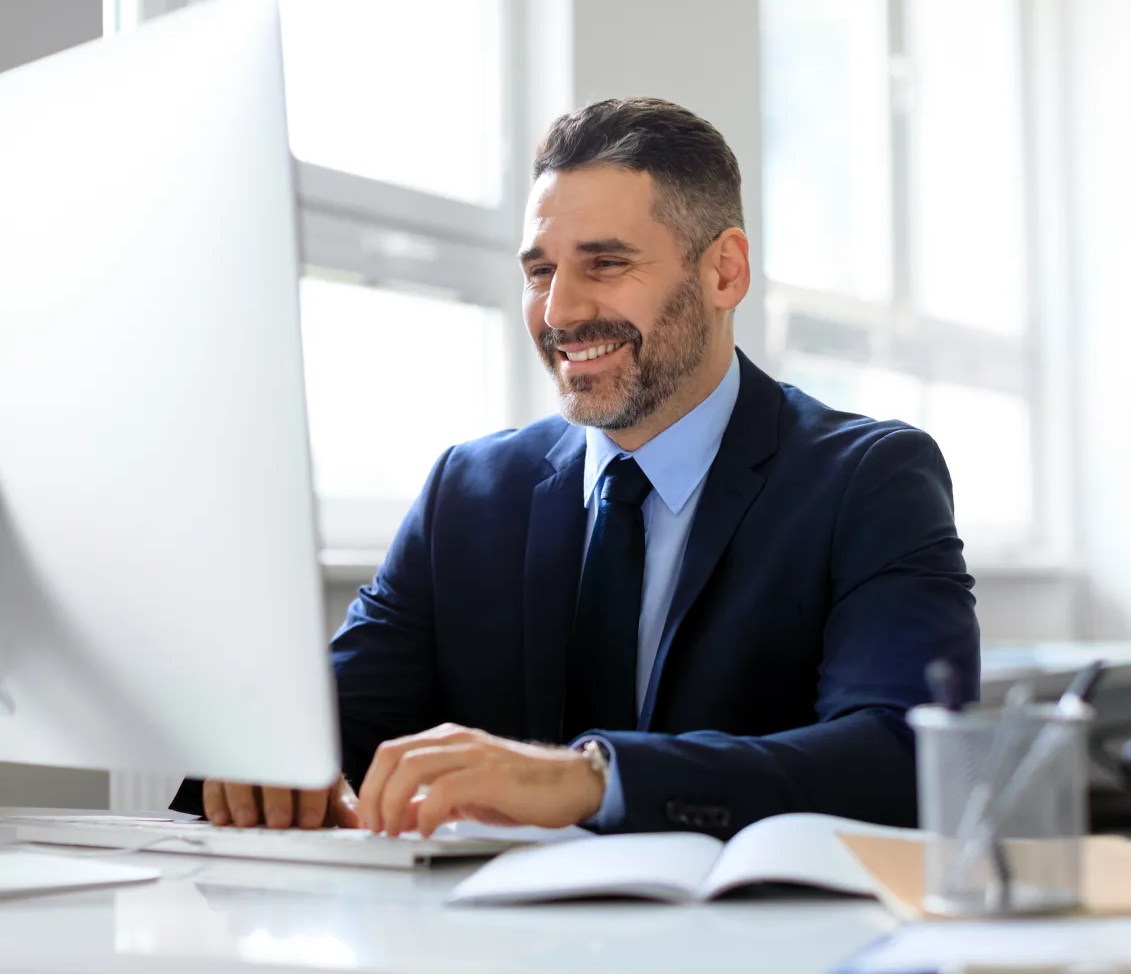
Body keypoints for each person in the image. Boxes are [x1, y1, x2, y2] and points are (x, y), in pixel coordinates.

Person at [172, 97, 979, 838]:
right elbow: (315, 737)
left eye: (605, 264)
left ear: (724, 272)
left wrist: (594, 779)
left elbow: (904, 757)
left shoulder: (869, 479)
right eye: (539, 272)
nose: (558, 312)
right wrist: (261, 757)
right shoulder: (467, 494)